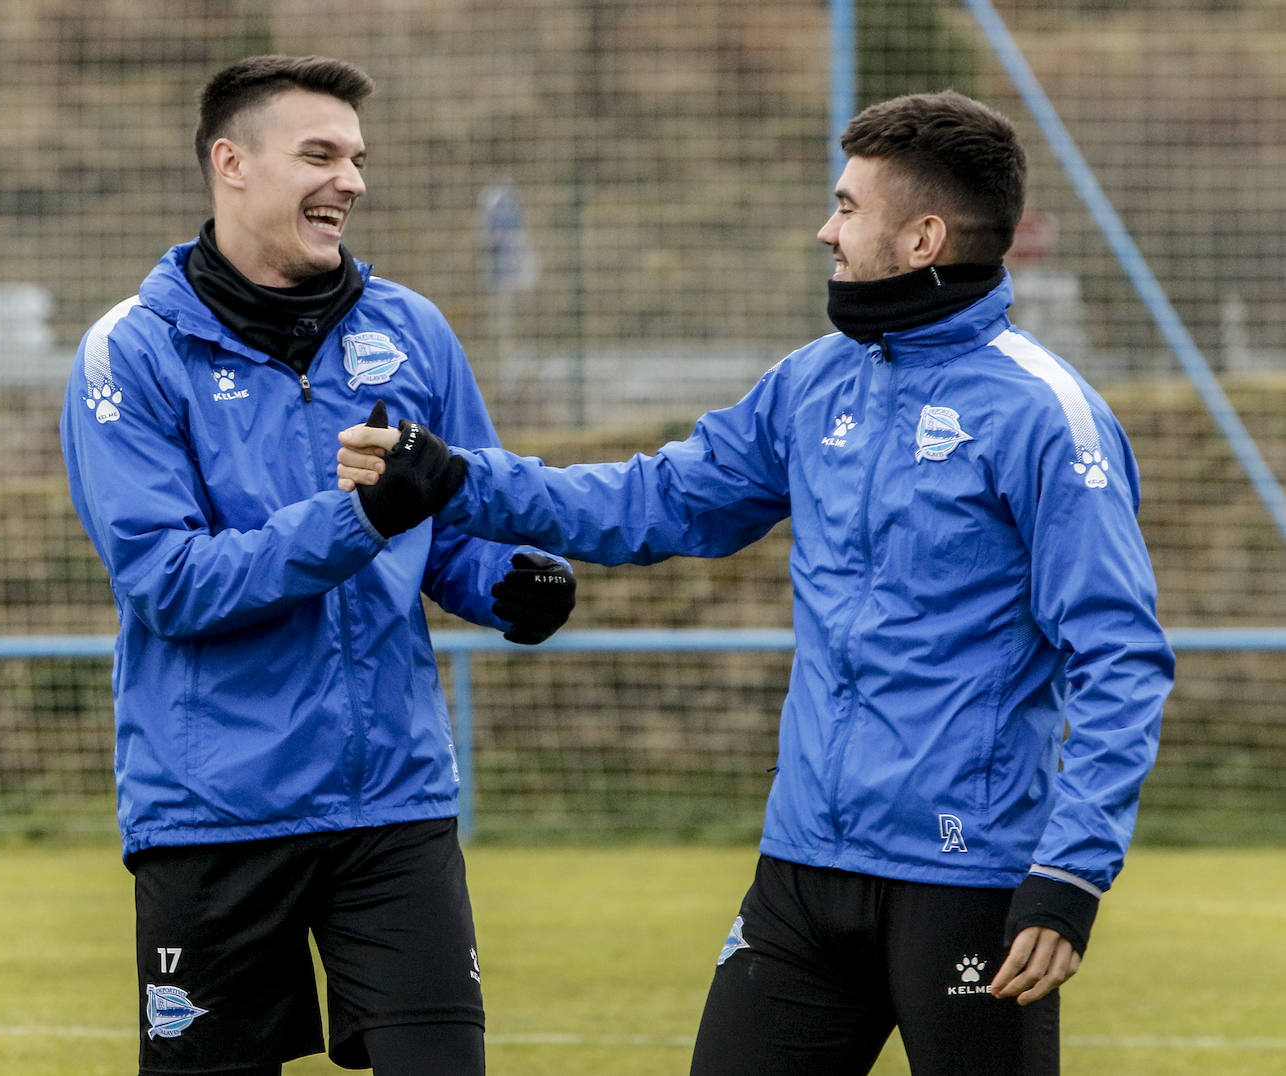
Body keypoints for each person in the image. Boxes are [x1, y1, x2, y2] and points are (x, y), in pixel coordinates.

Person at [336, 91, 1174, 1075]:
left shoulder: (1046, 417)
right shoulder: (813, 382)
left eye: (848, 206)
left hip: (968, 873)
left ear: (923, 237)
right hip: (804, 867)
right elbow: (656, 500)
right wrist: (466, 482)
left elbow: (1119, 659)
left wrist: (1070, 869)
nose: (826, 227)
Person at [60, 55, 576, 1076]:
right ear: (232, 163)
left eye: (357, 157)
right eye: (320, 154)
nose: (352, 179)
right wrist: (359, 518)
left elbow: (455, 523)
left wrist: (512, 581)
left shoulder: (412, 329)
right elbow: (169, 581)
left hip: (393, 798)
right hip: (213, 810)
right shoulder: (131, 352)